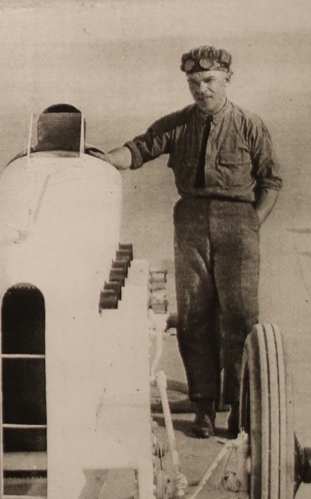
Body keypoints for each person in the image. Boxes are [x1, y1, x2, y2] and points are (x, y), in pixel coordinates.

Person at [92, 46, 281, 438]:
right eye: (194, 82)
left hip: (238, 222)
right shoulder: (177, 124)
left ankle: (239, 407)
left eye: (209, 80)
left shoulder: (250, 125)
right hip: (191, 221)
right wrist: (102, 159)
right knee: (194, 316)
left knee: (240, 317)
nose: (201, 89)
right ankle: (204, 407)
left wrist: (252, 223)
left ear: (227, 79)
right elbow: (138, 150)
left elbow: (271, 181)